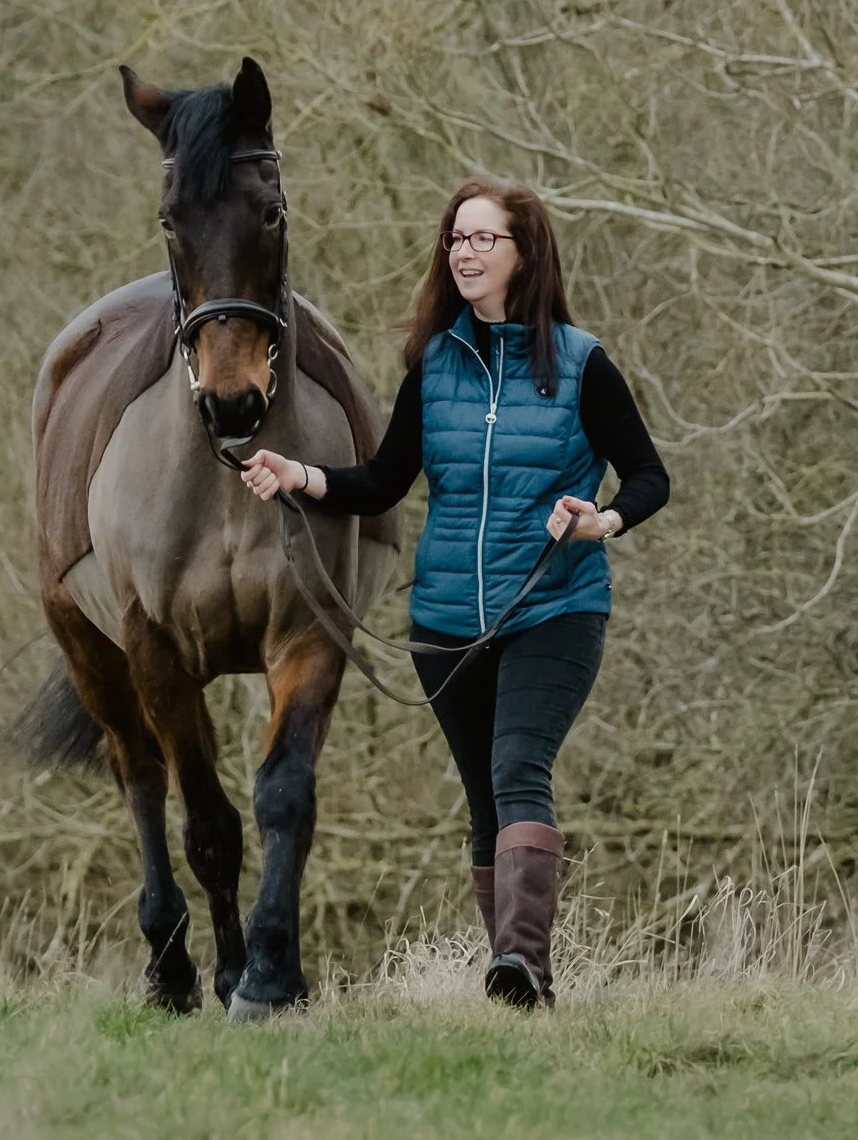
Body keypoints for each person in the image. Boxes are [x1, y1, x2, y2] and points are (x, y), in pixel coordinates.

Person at [239, 175, 668, 1009]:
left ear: (524, 253)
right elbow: (383, 480)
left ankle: (522, 963)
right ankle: (518, 985)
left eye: (482, 239)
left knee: (518, 766)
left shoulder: (582, 363)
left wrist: (603, 520)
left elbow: (650, 475)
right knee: (483, 802)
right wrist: (301, 475)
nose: (464, 253)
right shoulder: (433, 366)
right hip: (444, 624)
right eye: (455, 239)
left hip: (553, 607)